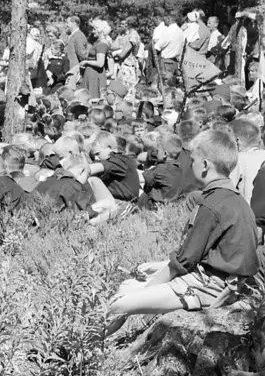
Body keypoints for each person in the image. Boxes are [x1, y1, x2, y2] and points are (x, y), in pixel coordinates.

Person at [105, 129, 258, 337]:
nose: (190, 164)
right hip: (224, 282)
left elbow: (183, 263)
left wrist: (147, 289)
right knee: (127, 286)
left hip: (208, 287)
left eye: (192, 160)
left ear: (204, 165)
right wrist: (158, 267)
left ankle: (82, 349)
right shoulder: (235, 200)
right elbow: (208, 256)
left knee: (118, 302)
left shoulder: (211, 204)